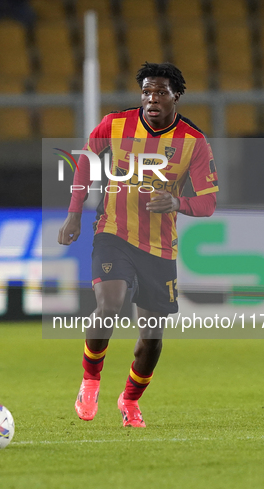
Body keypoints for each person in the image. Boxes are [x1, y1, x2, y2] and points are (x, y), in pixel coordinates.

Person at [57, 62, 219, 427]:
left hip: (159, 247)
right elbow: (84, 160)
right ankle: (90, 379)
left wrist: (177, 203)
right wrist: (74, 212)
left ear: (176, 96)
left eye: (160, 92)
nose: (152, 99)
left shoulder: (193, 142)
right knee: (110, 305)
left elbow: (208, 202)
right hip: (112, 232)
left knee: (152, 339)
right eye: (146, 92)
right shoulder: (115, 124)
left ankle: (129, 400)